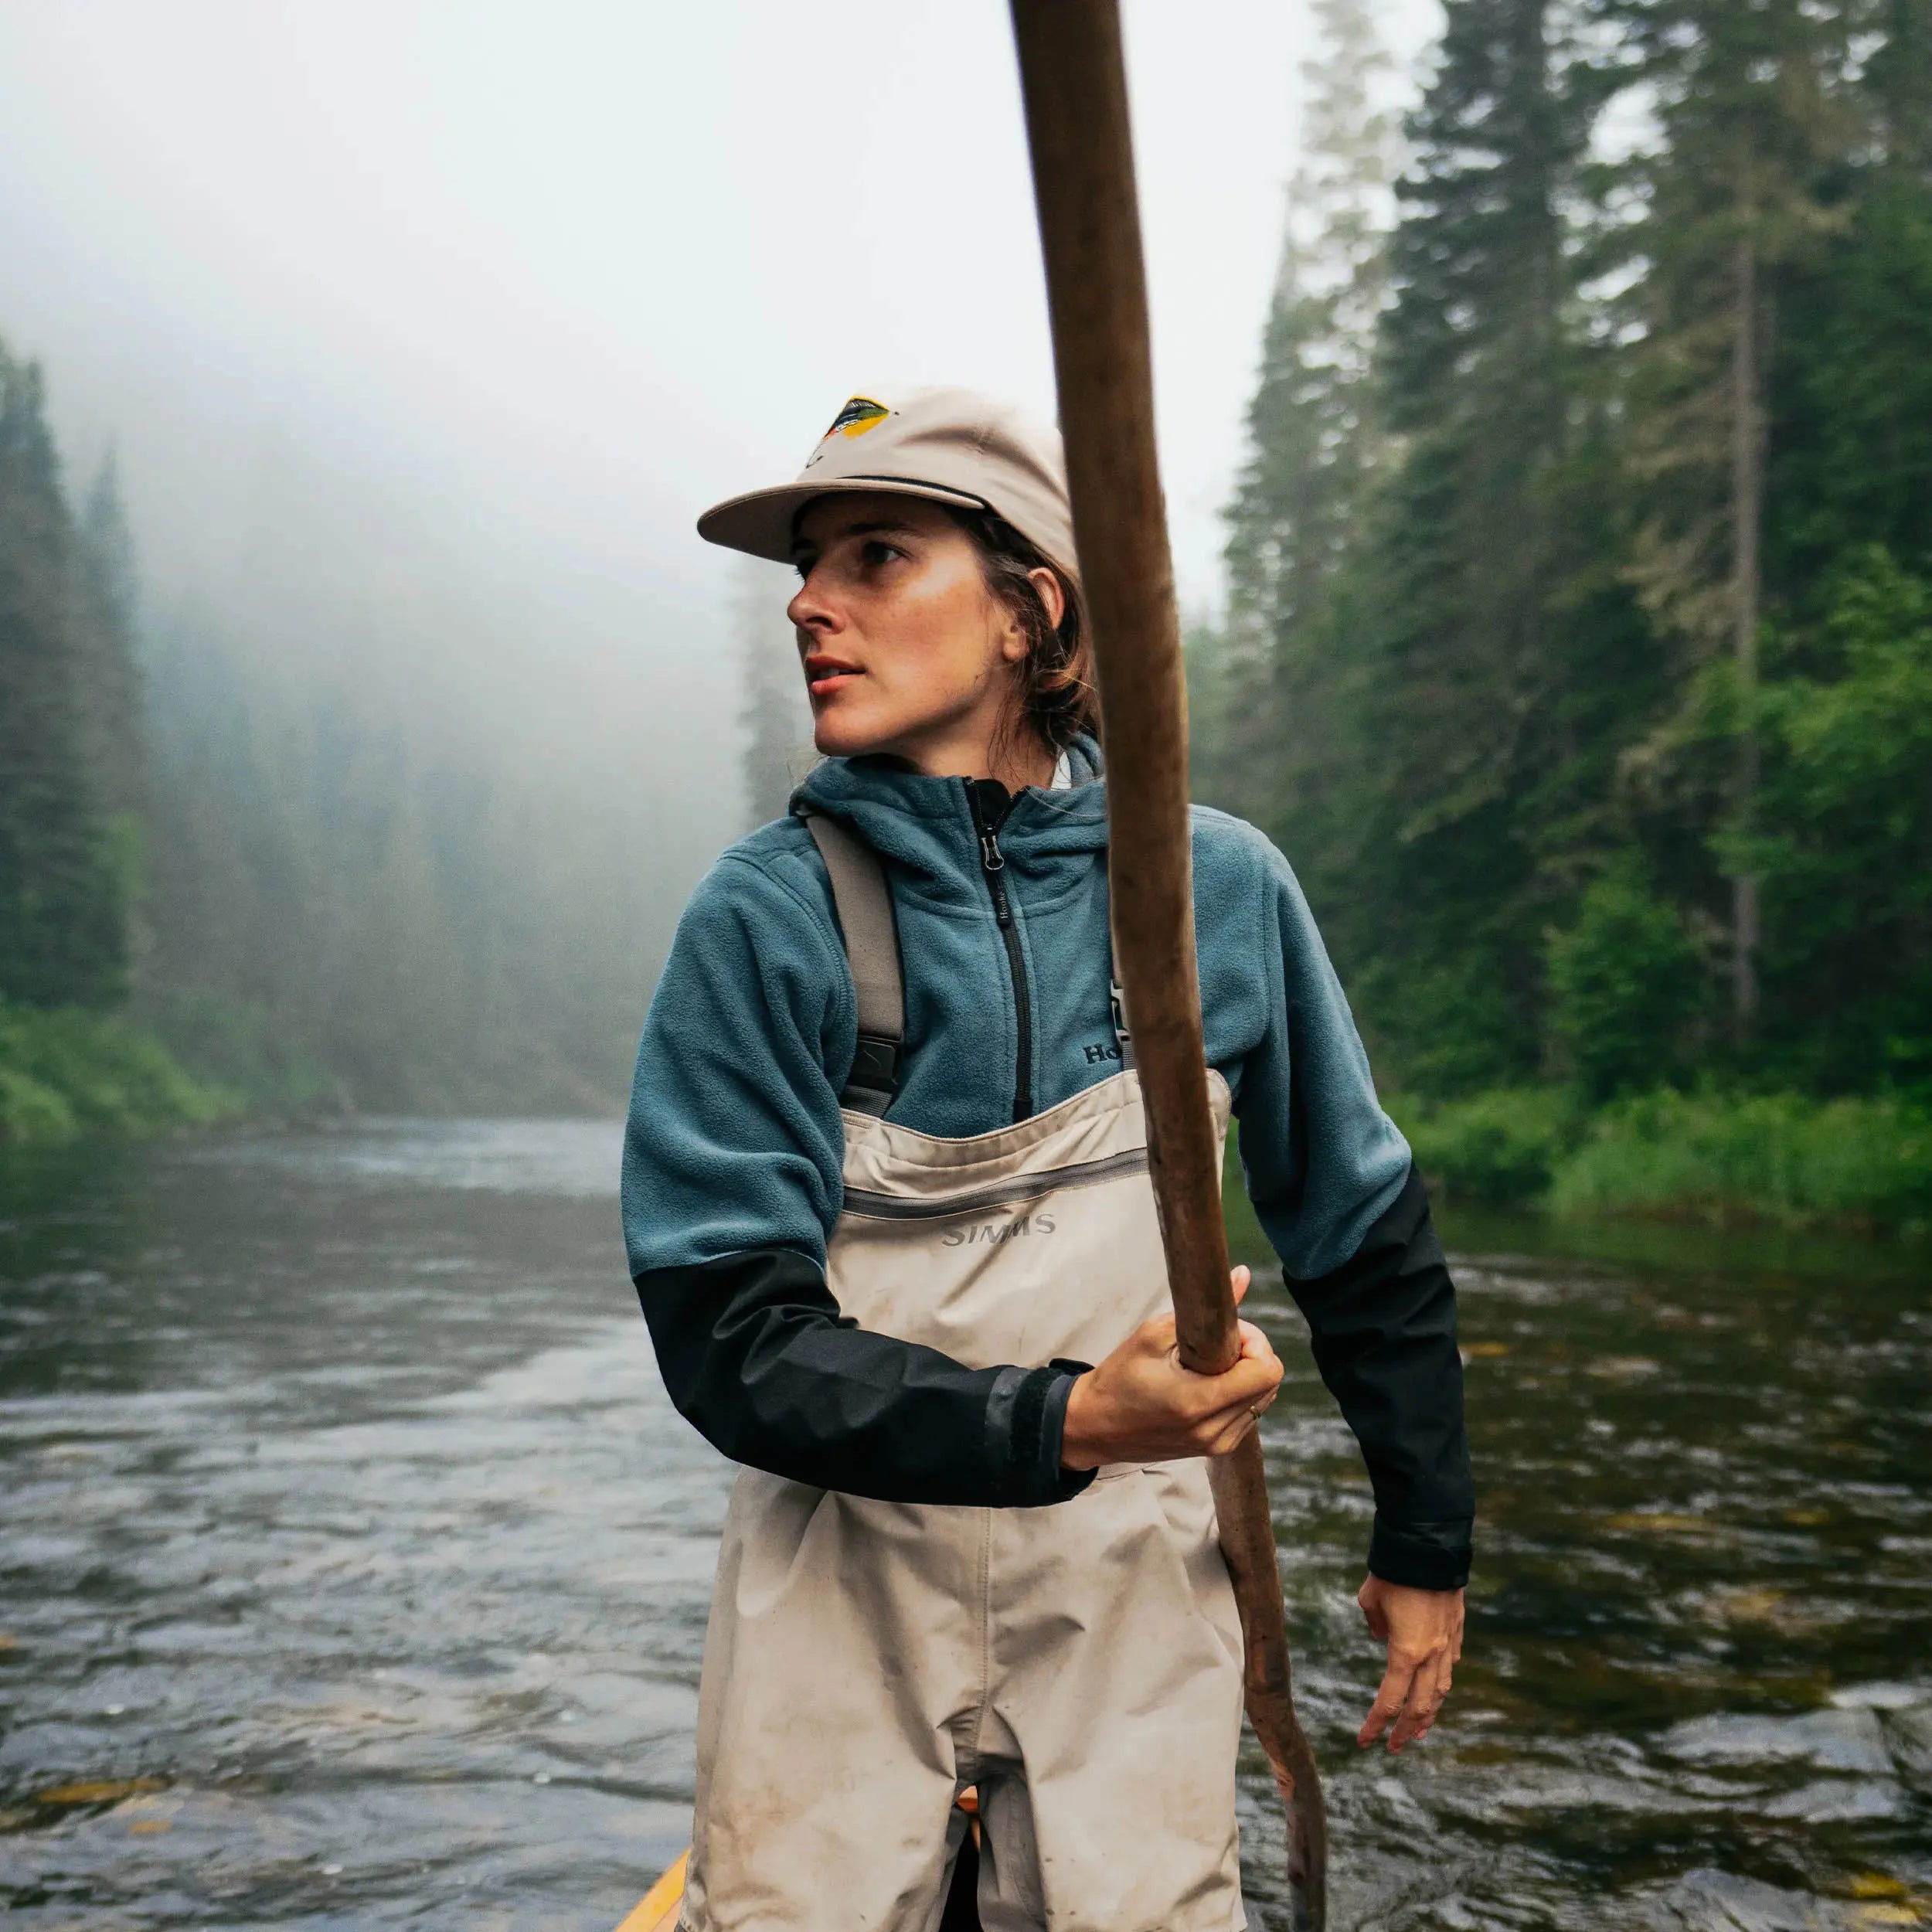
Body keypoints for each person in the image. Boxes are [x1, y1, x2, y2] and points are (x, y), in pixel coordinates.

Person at [621, 387, 1472, 1932]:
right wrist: (1073, 1412)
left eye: (877, 555)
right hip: (836, 1579)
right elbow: (727, 1343)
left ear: (1031, 609)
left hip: (1135, 1588)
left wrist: (1423, 1539)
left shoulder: (1218, 890)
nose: (811, 603)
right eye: (806, 569)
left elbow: (1358, 1235)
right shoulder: (759, 918)